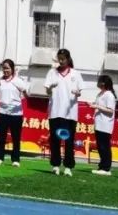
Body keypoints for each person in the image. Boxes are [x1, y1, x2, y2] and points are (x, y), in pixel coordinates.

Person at [45, 48, 83, 176]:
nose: (61, 61)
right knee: (55, 139)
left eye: (63, 59)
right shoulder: (52, 73)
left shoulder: (75, 74)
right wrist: (50, 88)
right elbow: (47, 91)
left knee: (69, 141)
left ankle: (68, 167)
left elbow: (80, 91)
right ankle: (55, 165)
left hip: (70, 113)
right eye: (59, 59)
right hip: (55, 112)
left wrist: (77, 92)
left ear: (68, 59)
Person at [0, 59, 28, 167]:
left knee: (15, 138)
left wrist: (24, 95)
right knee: (1, 137)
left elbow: (26, 93)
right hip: (2, 112)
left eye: (7, 68)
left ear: (12, 69)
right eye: (4, 68)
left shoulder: (18, 81)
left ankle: (15, 160)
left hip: (16, 114)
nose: (5, 70)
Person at [92, 74, 118, 176]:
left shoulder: (109, 95)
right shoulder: (100, 94)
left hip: (105, 124)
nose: (97, 83)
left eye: (99, 81)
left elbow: (110, 110)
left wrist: (97, 106)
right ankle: (101, 166)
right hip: (98, 123)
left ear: (103, 83)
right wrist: (93, 105)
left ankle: (106, 168)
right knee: (100, 146)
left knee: (104, 146)